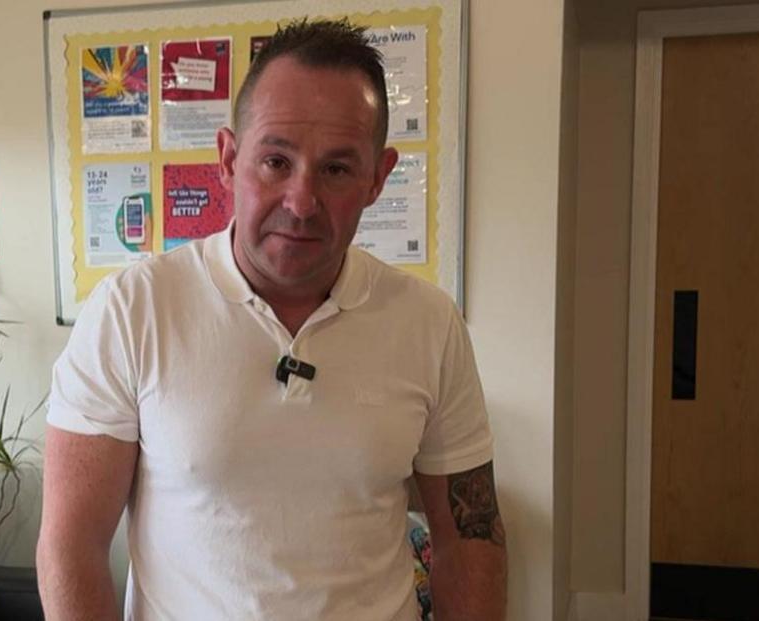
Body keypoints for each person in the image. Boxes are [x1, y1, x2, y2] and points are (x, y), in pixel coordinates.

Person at [37, 18, 507, 621]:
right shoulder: (133, 310)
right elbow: (70, 547)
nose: (301, 201)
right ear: (229, 159)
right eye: (276, 161)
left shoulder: (429, 323)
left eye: (336, 169)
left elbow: (471, 537)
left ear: (377, 178)